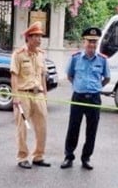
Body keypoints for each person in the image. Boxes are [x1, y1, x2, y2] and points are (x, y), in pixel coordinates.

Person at [61, 27, 110, 170]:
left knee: (91, 130)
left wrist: (96, 87)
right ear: (84, 42)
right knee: (73, 128)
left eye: (95, 42)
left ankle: (86, 158)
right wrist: (79, 86)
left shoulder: (102, 60)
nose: (92, 45)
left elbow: (106, 78)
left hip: (94, 98)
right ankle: (68, 156)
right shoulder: (75, 58)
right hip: (78, 97)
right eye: (89, 41)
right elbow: (70, 76)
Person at [10, 21, 50, 169]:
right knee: (23, 127)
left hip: (38, 94)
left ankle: (38, 156)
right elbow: (14, 76)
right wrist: (15, 97)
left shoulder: (41, 55)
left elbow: (42, 76)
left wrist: (45, 95)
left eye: (40, 37)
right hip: (23, 95)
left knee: (42, 127)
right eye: (36, 36)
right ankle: (22, 157)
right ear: (29, 38)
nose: (39, 40)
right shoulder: (18, 54)